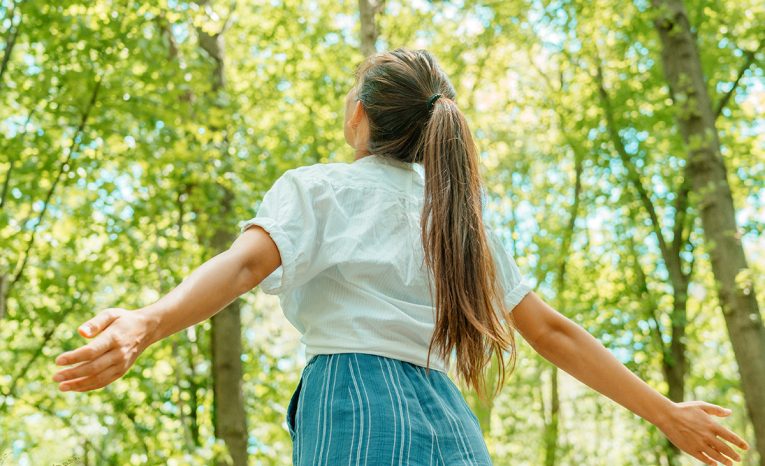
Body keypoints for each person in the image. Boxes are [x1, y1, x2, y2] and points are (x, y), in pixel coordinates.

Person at [52, 48, 749, 466]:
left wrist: (147, 320)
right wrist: (663, 412)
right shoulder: (458, 221)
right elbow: (551, 331)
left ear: (360, 113)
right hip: (451, 424)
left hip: (353, 404)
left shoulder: (321, 187)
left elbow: (242, 267)